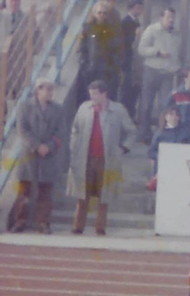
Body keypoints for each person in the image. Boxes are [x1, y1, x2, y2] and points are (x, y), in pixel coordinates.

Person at [68, 80, 135, 236]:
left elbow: (131, 131)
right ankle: (78, 226)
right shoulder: (84, 108)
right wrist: (74, 147)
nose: (92, 97)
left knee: (104, 195)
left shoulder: (117, 110)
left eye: (95, 94)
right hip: (85, 157)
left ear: (104, 94)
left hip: (107, 159)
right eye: (91, 94)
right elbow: (75, 129)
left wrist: (123, 148)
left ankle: (100, 227)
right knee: (82, 193)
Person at [9, 78, 68, 234]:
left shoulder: (58, 109)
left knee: (46, 191)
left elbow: (61, 132)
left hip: (48, 155)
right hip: (29, 154)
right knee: (24, 190)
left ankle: (43, 223)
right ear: (37, 90)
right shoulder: (24, 106)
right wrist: (37, 145)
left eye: (51, 89)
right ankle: (20, 222)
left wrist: (49, 146)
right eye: (46, 89)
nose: (49, 93)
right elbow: (22, 130)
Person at [136, 6, 180, 140]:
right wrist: (157, 52)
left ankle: (162, 133)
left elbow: (177, 54)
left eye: (173, 17)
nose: (171, 20)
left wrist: (176, 68)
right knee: (146, 104)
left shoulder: (177, 34)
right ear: (161, 18)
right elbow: (141, 49)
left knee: (165, 105)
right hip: (151, 71)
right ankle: (143, 134)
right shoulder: (152, 30)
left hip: (167, 74)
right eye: (168, 17)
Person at [147, 105, 190, 177]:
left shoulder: (186, 132)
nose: (174, 117)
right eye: (171, 114)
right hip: (163, 164)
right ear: (165, 117)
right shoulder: (159, 133)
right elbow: (152, 150)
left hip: (181, 164)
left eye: (176, 115)